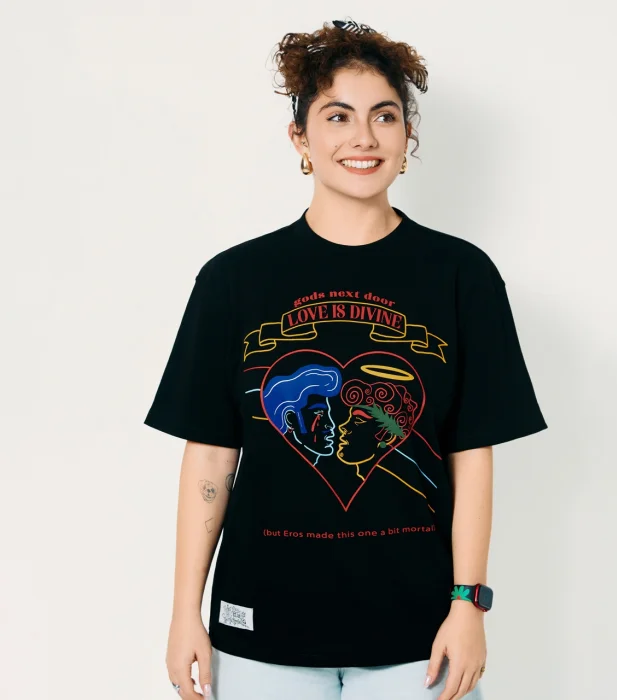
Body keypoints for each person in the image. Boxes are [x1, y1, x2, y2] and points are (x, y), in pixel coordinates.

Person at [144, 18, 548, 700]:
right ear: (301, 139)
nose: (363, 137)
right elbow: (210, 457)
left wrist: (469, 605)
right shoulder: (234, 280)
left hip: (420, 635)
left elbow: (470, 455)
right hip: (260, 627)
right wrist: (186, 612)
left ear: (406, 136)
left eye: (384, 116)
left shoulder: (461, 275)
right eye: (338, 116)